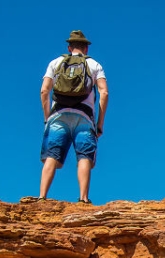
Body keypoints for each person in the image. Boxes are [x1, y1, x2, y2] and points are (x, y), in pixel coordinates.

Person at [38, 30, 108, 204]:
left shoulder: (56, 62)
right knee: (84, 156)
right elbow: (104, 92)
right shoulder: (94, 64)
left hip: (58, 116)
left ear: (69, 47)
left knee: (52, 156)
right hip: (85, 118)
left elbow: (44, 91)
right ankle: (83, 199)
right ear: (86, 49)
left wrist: (48, 117)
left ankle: (42, 197)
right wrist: (99, 124)